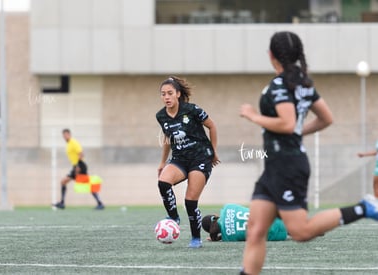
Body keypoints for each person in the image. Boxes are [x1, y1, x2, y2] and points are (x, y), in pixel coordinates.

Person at [238, 31, 378, 275]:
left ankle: (363, 208)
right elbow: (326, 118)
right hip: (276, 166)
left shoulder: (281, 85)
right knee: (256, 229)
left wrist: (253, 116)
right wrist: (297, 132)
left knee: (300, 231)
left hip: (288, 167)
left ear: (271, 55)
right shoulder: (302, 83)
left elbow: (287, 123)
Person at [156, 76, 220, 248]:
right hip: (180, 159)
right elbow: (168, 138)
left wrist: (213, 151)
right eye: (163, 94)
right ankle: (174, 217)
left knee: (190, 201)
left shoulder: (192, 110)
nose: (166, 97)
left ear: (178, 94)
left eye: (170, 93)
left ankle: (195, 239)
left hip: (200, 158)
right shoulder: (161, 116)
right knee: (163, 182)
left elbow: (212, 126)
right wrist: (162, 162)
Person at [53, 129, 105, 210]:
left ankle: (100, 203)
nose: (65, 136)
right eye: (64, 135)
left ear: (69, 134)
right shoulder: (69, 144)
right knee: (63, 182)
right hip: (76, 166)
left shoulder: (73, 142)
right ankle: (62, 203)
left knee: (89, 184)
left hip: (80, 166)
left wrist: (78, 166)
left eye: (66, 134)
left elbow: (81, 154)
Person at [202, 203, 287, 242]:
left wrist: (217, 238)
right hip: (276, 217)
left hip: (277, 236)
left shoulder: (227, 238)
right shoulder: (228, 207)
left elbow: (232, 231)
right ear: (215, 216)